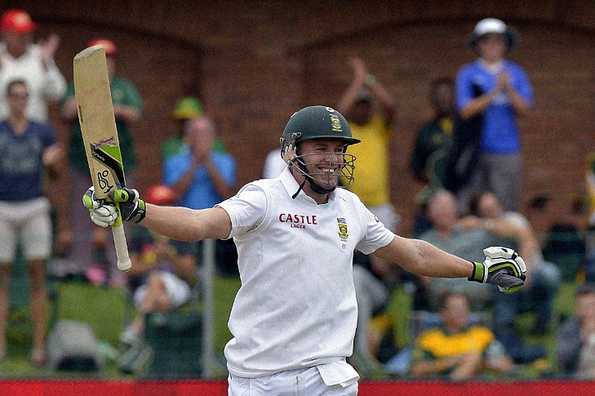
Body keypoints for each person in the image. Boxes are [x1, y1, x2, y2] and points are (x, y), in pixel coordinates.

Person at [83, 105, 526, 395]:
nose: (332, 158)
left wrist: (477, 269)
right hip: (260, 377)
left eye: (338, 149)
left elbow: (413, 253)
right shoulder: (263, 197)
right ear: (292, 151)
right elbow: (201, 223)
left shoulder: (350, 207)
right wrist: (139, 210)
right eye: (320, 149)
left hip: (328, 376)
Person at [61, 38, 143, 280]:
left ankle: (118, 269)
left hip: (119, 162)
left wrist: (110, 107)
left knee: (120, 211)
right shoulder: (80, 84)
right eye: (100, 59)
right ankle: (81, 267)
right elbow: (66, 109)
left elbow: (135, 112)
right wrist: (89, 100)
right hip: (83, 161)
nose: (106, 63)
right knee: (82, 213)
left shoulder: (122, 87)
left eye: (109, 59)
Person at [0, 79, 63, 366]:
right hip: (3, 206)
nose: (20, 101)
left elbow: (56, 175)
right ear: (7, 99)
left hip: (34, 203)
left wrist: (52, 162)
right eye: (16, 96)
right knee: (3, 275)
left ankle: (38, 346)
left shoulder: (42, 131)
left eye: (25, 96)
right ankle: (1, 344)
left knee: (38, 273)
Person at [455, 18, 533, 212]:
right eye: (486, 40)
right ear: (478, 45)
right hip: (474, 148)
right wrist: (495, 90)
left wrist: (509, 89)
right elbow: (465, 110)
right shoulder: (468, 73)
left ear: (505, 44)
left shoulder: (516, 72)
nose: (492, 45)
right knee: (472, 202)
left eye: (498, 40)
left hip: (507, 149)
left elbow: (525, 110)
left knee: (506, 205)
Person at [121, 184, 198, 345]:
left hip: (178, 287)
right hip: (144, 290)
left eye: (168, 204)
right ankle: (160, 348)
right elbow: (130, 269)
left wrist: (170, 256)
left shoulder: (181, 232)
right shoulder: (140, 234)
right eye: (160, 205)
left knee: (158, 280)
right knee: (161, 298)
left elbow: (190, 273)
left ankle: (136, 331)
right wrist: (155, 261)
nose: (165, 209)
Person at [410, 291, 512, 380]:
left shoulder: (483, 335)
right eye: (456, 308)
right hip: (438, 387)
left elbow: (506, 365)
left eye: (464, 307)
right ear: (443, 313)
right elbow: (416, 369)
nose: (461, 312)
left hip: (478, 389)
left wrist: (480, 362)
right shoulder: (429, 338)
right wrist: (451, 362)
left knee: (473, 357)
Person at [0, 9, 66, 123]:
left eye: (27, 32)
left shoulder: (40, 55)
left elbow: (58, 93)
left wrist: (46, 67)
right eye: (19, 33)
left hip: (35, 133)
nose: (24, 37)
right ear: (5, 33)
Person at [410, 77, 456, 236]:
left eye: (447, 94)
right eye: (438, 95)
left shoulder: (466, 128)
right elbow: (415, 166)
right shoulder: (426, 131)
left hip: (462, 199)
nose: (443, 99)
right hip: (434, 196)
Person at [556, 284, 595, 378]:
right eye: (583, 306)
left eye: (591, 305)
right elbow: (563, 361)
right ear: (577, 309)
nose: (588, 311)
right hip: (578, 379)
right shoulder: (568, 330)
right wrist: (582, 339)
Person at [161, 96, 205, 161]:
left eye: (190, 120)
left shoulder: (215, 145)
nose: (186, 124)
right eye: (182, 121)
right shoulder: (170, 146)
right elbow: (173, 168)